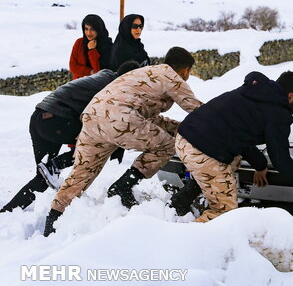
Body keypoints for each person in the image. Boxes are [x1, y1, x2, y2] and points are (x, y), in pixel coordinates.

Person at [43, 47, 202, 236]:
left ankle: (52, 221)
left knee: (82, 172)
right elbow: (196, 110)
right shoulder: (171, 76)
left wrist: (178, 127)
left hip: (93, 117)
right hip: (120, 118)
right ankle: (123, 187)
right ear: (186, 70)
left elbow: (145, 117)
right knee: (166, 145)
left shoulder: (143, 73)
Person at [170, 71, 293, 223]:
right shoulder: (277, 112)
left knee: (233, 162)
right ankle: (186, 241)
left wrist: (260, 165)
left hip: (184, 138)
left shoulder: (255, 92)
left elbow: (240, 137)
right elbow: (279, 156)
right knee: (225, 212)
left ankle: (179, 202)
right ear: (290, 96)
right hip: (201, 151)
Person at [0, 61, 139, 213]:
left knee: (44, 177)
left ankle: (8, 211)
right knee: (94, 147)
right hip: (57, 120)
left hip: (39, 118)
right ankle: (55, 165)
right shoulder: (114, 88)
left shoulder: (103, 76)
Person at [69, 14, 114, 79]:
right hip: (78, 85)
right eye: (86, 29)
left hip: (98, 85)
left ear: (98, 30)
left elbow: (100, 72)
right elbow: (73, 66)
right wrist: (90, 72)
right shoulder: (79, 43)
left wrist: (92, 50)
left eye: (92, 29)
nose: (89, 33)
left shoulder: (108, 46)